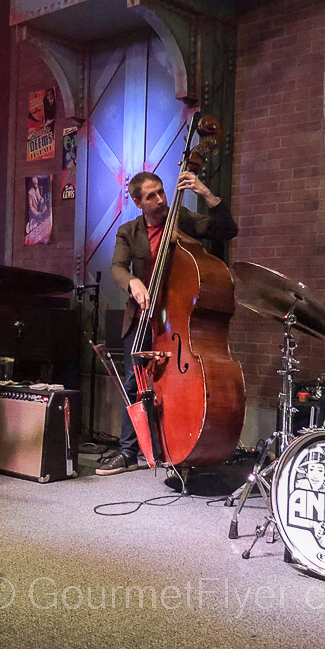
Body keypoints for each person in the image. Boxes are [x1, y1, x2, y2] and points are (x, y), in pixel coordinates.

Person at [99, 170, 238, 475]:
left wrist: (206, 193)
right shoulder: (128, 232)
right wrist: (133, 283)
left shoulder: (181, 219)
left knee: (176, 383)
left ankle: (176, 445)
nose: (161, 200)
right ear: (138, 202)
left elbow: (227, 230)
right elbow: (117, 268)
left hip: (176, 319)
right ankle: (128, 451)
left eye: (161, 192)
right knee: (134, 382)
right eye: (151, 196)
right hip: (143, 315)